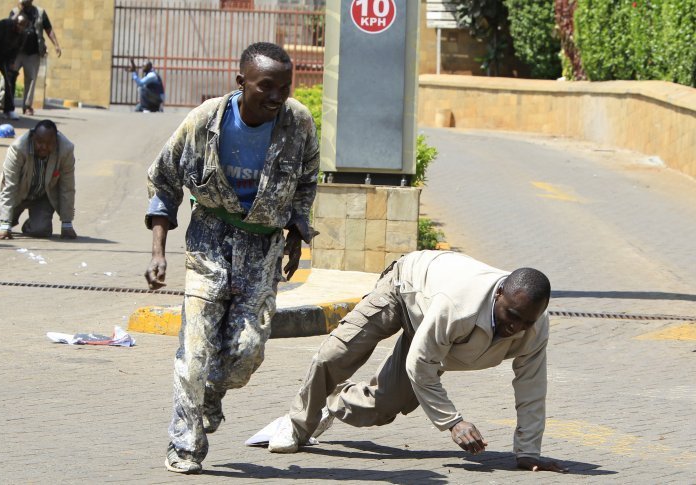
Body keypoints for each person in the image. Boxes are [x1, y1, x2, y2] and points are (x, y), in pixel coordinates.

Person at [144, 42, 319, 474]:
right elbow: (164, 181)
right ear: (241, 83)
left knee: (246, 354)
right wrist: (158, 253)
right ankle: (184, 445)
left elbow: (307, 180)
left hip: (262, 249)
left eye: (284, 87)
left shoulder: (297, 124)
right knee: (195, 351)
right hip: (210, 240)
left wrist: (297, 231)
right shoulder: (204, 122)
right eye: (266, 87)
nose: (277, 97)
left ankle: (212, 395)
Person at [265, 250, 568, 473]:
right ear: (499, 293)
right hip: (405, 288)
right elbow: (420, 365)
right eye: (511, 316)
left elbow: (531, 387)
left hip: (435, 329)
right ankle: (296, 424)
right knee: (335, 355)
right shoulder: (459, 304)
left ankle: (331, 399)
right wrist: (453, 422)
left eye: (525, 322)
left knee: (384, 407)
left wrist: (528, 452)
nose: (516, 327)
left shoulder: (535, 328)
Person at [0, 119, 77, 239]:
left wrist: (67, 223)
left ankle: (33, 223)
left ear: (56, 141)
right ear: (33, 137)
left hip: (43, 196)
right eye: (39, 142)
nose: (43, 147)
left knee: (41, 231)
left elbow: (67, 187)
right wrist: (5, 224)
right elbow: (10, 185)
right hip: (18, 192)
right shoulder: (18, 148)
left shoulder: (66, 150)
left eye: (49, 143)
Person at [0, 0, 62, 116]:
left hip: (33, 52)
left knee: (31, 80)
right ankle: (1, 102)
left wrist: (56, 45)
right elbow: (9, 26)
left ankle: (27, 106)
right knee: (8, 76)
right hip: (16, 52)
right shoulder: (15, 11)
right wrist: (20, 11)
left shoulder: (40, 12)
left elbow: (48, 29)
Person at [0, 14, 30, 120]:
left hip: (5, 56)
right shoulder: (4, 25)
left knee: (11, 77)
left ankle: (9, 109)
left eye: (23, 26)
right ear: (15, 22)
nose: (20, 28)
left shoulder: (23, 34)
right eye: (19, 25)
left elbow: (17, 49)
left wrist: (12, 62)